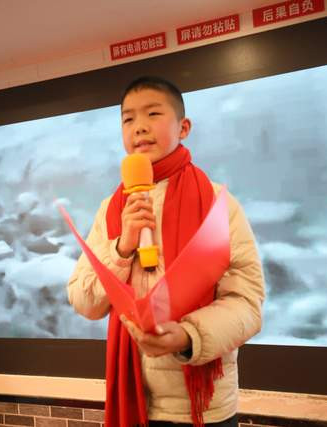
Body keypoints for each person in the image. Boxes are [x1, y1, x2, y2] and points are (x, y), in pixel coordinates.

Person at [67, 76, 265, 427]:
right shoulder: (110, 209)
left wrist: (188, 336)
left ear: (183, 127)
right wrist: (122, 248)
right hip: (136, 403)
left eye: (153, 114)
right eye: (128, 119)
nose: (139, 127)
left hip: (205, 410)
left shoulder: (216, 203)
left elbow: (247, 304)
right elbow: (85, 301)